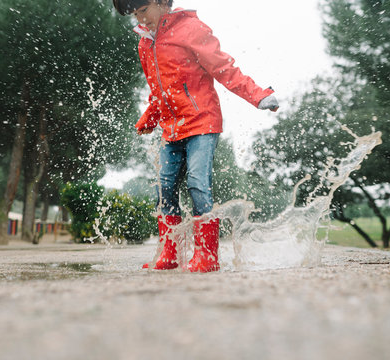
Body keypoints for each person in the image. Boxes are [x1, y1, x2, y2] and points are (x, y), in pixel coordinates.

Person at [112, 0, 279, 272]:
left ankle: (207, 256)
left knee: (197, 182)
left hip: (201, 121)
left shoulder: (191, 29)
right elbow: (159, 89)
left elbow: (224, 68)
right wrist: (149, 117)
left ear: (161, 1)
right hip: (171, 126)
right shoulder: (145, 43)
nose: (140, 20)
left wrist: (258, 95)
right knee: (164, 187)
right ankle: (170, 253)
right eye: (134, 15)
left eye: (143, 11)